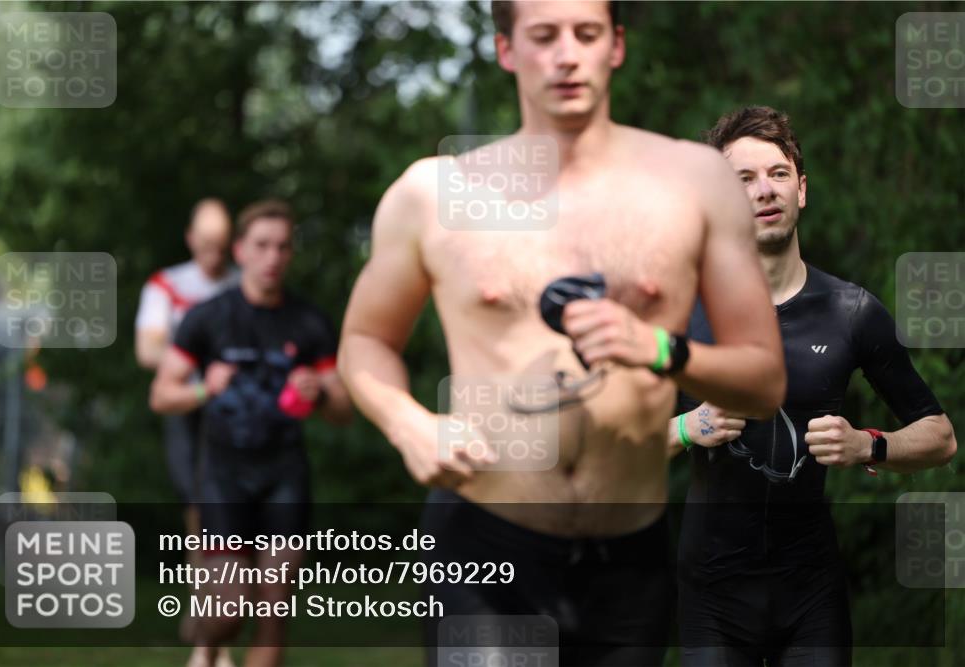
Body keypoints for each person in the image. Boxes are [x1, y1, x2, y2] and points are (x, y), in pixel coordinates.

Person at [337, 2, 786, 665]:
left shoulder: (693, 183)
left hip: (629, 561)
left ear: (617, 45)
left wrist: (661, 348)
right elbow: (364, 342)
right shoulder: (434, 194)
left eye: (586, 33)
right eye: (543, 36)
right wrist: (408, 423)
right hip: (484, 546)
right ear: (507, 50)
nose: (566, 54)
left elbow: (764, 381)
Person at [670, 105, 958, 667]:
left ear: (801, 190)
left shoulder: (852, 312)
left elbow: (941, 436)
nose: (764, 190)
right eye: (743, 180)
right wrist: (687, 426)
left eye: (778, 174)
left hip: (810, 596)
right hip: (712, 597)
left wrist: (868, 445)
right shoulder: (682, 313)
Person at [150, 199, 353, 667]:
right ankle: (207, 643)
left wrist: (321, 393)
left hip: (284, 474)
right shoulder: (208, 318)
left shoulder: (310, 323)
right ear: (240, 251)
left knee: (273, 613)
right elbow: (162, 395)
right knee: (227, 611)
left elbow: (343, 411)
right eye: (262, 246)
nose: (273, 257)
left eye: (283, 247)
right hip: (224, 476)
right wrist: (204, 388)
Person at [135, 199, 238, 663]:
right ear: (191, 238)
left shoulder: (244, 284)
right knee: (200, 515)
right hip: (189, 411)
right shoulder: (167, 285)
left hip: (238, 415)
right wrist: (199, 375)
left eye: (222, 246)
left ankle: (214, 632)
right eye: (207, 244)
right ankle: (207, 630)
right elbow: (148, 349)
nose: (214, 255)